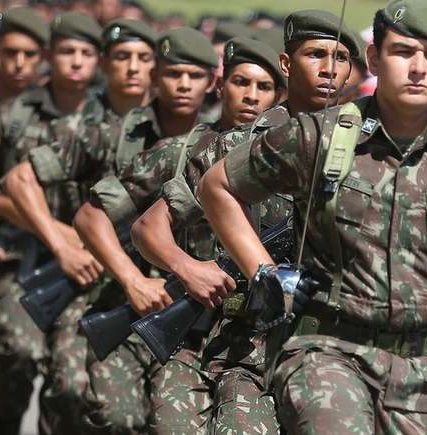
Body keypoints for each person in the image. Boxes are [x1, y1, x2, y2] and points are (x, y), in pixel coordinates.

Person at [197, 0, 427, 433]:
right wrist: (265, 272)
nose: (419, 67)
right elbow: (217, 187)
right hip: (327, 352)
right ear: (374, 59)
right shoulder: (319, 136)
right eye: (404, 52)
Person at [0, 11, 102, 435]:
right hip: (16, 254)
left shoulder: (109, 121)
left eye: (87, 53)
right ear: (52, 56)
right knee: (14, 348)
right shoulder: (15, 114)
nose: (76, 62)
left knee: (70, 377)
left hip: (89, 262)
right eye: (67, 51)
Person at [3, 17, 157, 434]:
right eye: (123, 57)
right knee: (67, 383)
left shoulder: (178, 128)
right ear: (106, 64)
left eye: (144, 58)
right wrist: (63, 243)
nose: (133, 68)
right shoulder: (86, 128)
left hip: (157, 283)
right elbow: (14, 184)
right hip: (85, 272)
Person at [130, 36, 286, 433]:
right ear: (221, 85)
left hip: (261, 341)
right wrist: (181, 269)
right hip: (196, 325)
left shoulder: (297, 150)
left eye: (263, 86)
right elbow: (138, 224)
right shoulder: (194, 151)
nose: (251, 96)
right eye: (240, 83)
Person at [69, 27, 217, 433]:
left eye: (195, 74)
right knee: (109, 412)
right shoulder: (145, 141)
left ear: (212, 81)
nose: (184, 85)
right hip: (126, 293)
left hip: (203, 322)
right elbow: (90, 215)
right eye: (174, 73)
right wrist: (132, 279)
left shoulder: (237, 149)